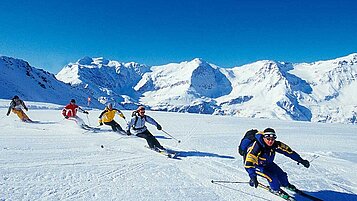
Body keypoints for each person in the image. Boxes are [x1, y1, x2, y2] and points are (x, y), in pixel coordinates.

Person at [244, 128, 310, 197]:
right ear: (264, 138)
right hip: (255, 166)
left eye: (272, 139)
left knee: (282, 175)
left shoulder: (276, 144)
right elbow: (249, 163)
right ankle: (275, 190)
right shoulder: (256, 147)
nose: (270, 141)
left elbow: (289, 152)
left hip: (268, 163)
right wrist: (252, 176)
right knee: (272, 177)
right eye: (268, 139)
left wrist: (301, 160)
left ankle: (286, 184)